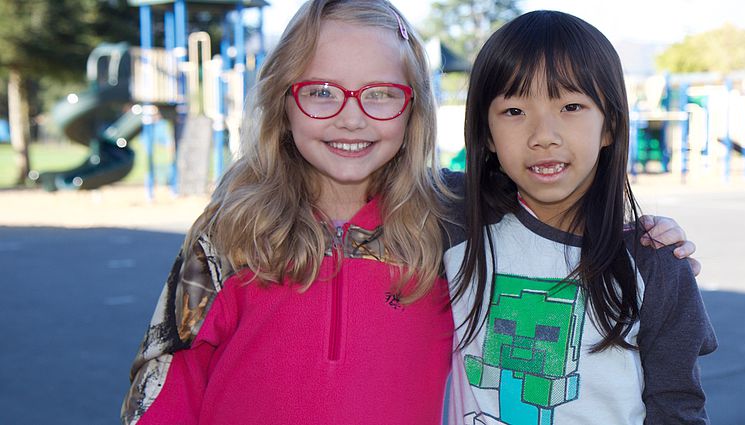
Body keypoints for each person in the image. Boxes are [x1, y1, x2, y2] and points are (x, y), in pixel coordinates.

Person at [120, 2, 699, 424]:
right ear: (282, 102)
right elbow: (168, 377)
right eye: (322, 91)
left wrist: (641, 238)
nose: (352, 117)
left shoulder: (449, 218)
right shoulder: (231, 234)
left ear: (414, 108)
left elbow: (555, 212)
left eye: (381, 93)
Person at [442, 10, 717, 425]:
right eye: (514, 111)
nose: (544, 135)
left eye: (571, 106)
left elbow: (677, 407)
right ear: (486, 134)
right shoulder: (456, 218)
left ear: (610, 126)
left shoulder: (654, 260)